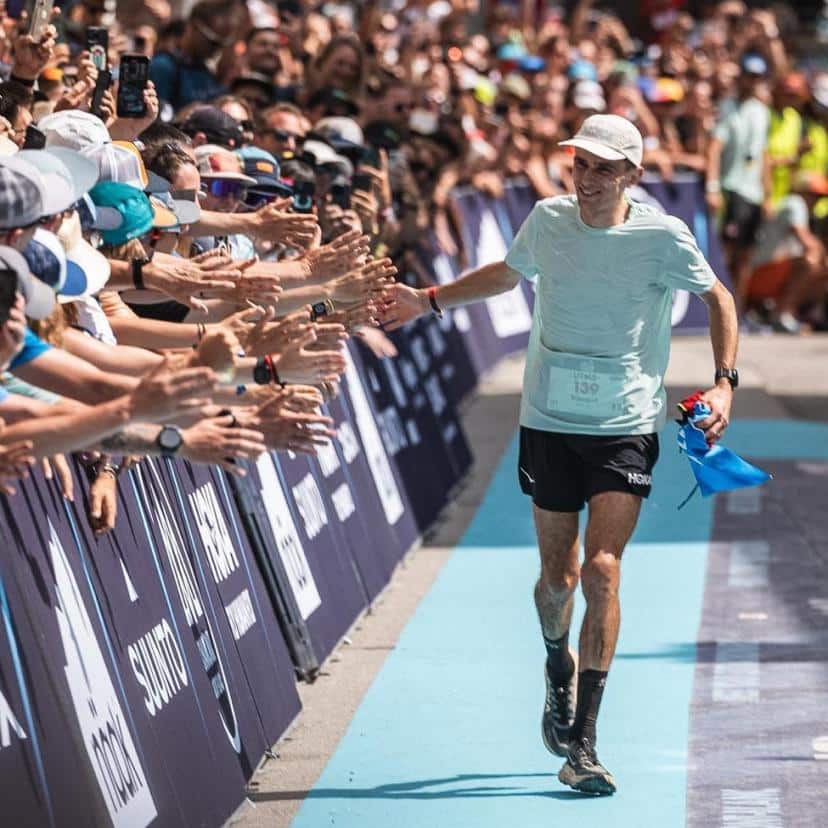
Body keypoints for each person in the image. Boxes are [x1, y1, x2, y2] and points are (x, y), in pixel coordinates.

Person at [380, 114, 739, 795]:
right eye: (580, 164)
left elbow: (718, 296)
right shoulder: (547, 219)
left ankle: (585, 744)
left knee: (603, 571)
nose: (589, 179)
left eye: (605, 168)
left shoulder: (663, 236)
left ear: (632, 175)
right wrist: (427, 299)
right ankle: (556, 663)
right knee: (558, 580)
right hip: (548, 418)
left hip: (626, 421)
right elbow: (505, 276)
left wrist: (724, 383)